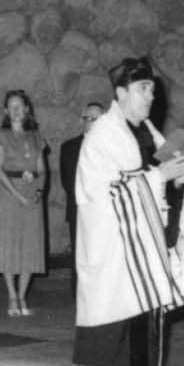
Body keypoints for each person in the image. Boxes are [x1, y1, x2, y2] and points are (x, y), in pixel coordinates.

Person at [73, 58, 184, 366]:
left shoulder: (146, 131)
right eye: (144, 90)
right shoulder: (102, 135)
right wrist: (161, 176)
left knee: (136, 327)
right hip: (112, 247)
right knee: (105, 325)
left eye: (153, 90)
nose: (150, 97)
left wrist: (179, 174)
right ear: (122, 92)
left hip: (140, 245)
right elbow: (102, 193)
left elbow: (157, 175)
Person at [0, 90, 49, 317]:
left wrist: (39, 191)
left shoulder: (36, 136)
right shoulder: (0, 135)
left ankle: (23, 295)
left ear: (27, 109)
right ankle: (12, 296)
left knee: (30, 244)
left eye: (20, 106)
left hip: (32, 191)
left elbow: (42, 169)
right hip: (8, 193)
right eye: (11, 106)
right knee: (9, 242)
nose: (16, 110)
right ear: (6, 111)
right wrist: (18, 195)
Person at [59, 102, 104, 259]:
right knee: (80, 258)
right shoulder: (69, 147)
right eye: (88, 118)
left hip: (106, 210)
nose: (92, 122)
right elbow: (69, 182)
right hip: (80, 209)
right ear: (82, 120)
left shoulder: (111, 147)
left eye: (97, 119)